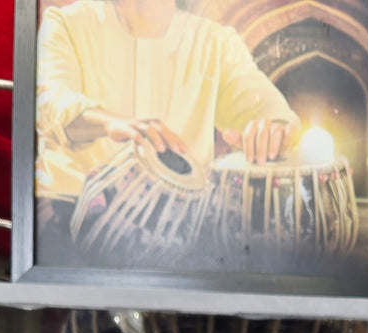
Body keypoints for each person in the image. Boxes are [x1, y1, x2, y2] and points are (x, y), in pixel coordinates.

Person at [36, 0, 300, 252]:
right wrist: (111, 122)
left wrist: (273, 127)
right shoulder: (66, 24)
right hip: (66, 219)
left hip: (179, 233)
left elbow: (267, 107)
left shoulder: (216, 42)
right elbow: (51, 101)